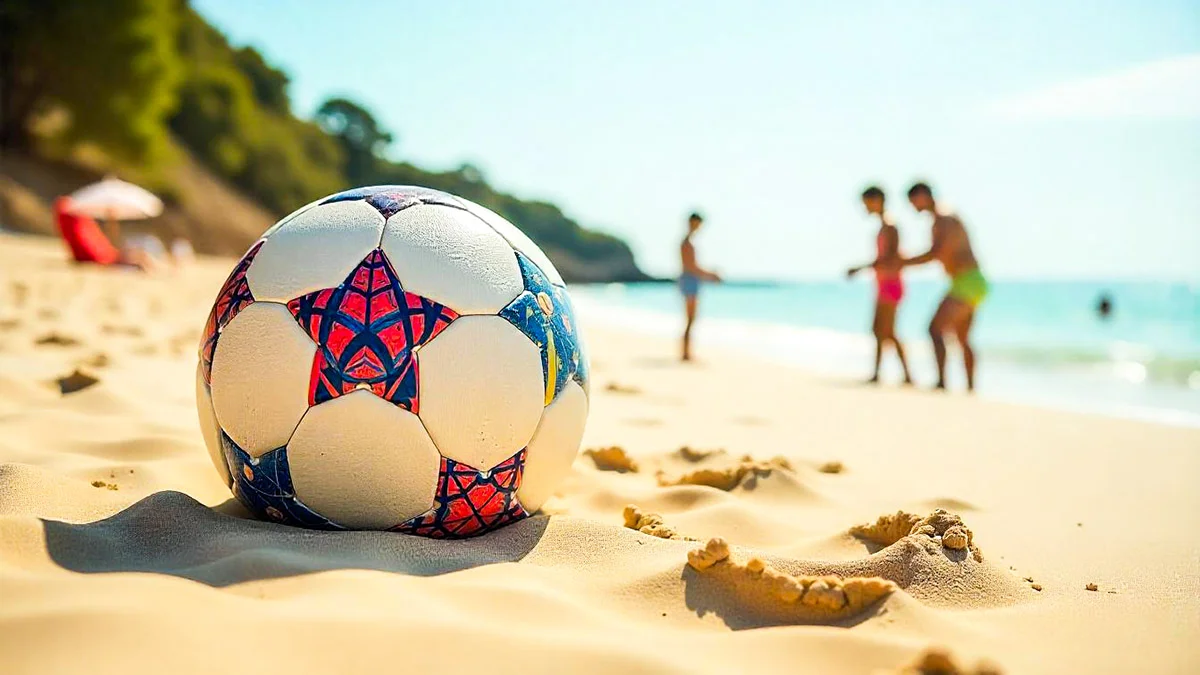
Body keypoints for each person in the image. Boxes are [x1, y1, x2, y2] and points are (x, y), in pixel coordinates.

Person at [901, 182, 988, 391]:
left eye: (913, 201)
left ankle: (942, 382)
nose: (913, 207)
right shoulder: (945, 216)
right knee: (962, 338)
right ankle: (970, 388)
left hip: (966, 281)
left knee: (935, 329)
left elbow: (936, 253)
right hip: (973, 281)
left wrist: (901, 262)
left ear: (922, 195)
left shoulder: (943, 217)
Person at [847, 186, 912, 385]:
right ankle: (885, 373)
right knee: (882, 330)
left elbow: (890, 258)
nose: (865, 208)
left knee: (885, 331)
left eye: (866, 203)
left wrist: (861, 267)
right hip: (884, 282)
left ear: (877, 200)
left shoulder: (890, 226)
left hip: (891, 284)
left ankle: (899, 375)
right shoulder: (885, 226)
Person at [679, 211, 721, 361]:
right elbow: (691, 267)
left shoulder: (688, 242)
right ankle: (685, 353)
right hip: (690, 280)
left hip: (691, 280)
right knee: (690, 319)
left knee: (691, 319)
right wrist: (711, 275)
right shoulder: (687, 243)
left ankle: (686, 352)